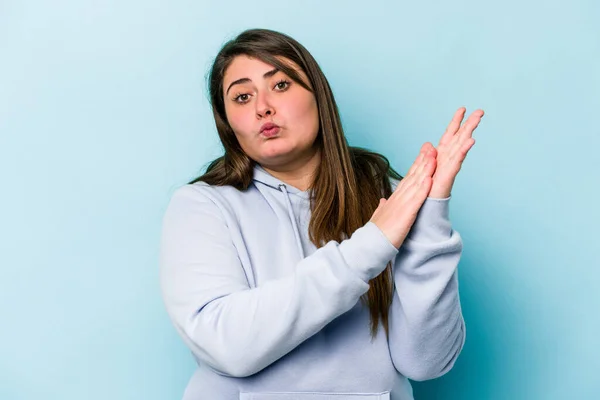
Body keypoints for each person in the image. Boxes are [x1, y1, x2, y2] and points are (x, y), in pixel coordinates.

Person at [159, 28, 484, 400]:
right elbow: (225, 345)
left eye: (280, 85)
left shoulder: (390, 200)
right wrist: (368, 248)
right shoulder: (202, 206)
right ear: (228, 124)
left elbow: (426, 362)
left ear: (319, 96)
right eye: (243, 96)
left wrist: (429, 222)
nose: (262, 106)